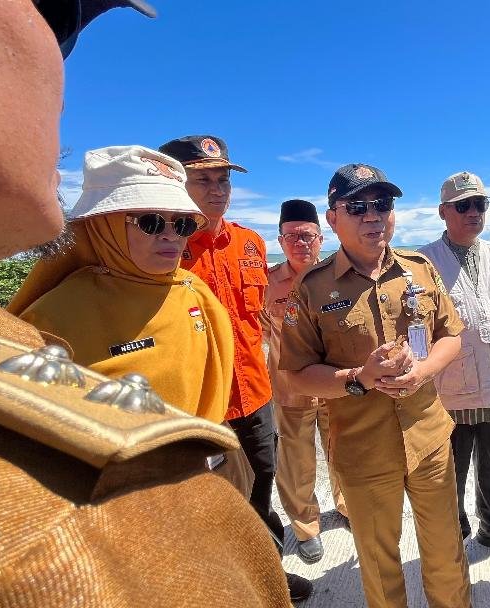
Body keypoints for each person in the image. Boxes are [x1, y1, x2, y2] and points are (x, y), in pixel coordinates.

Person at [0, 2, 290, 606]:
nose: (172, 235)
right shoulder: (43, 324)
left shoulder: (219, 265)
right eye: (54, 20)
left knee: (259, 491)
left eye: (180, 224)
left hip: (239, 418)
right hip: (151, 526)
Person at [280, 164, 472, 608]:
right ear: (332, 219)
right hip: (362, 449)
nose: (373, 216)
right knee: (381, 566)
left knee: (446, 555)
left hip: (428, 441)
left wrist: (422, 373)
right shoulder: (312, 288)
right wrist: (358, 379)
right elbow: (297, 371)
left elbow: (452, 335)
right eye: (357, 207)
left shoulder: (419, 271)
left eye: (382, 204)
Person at [158, 135, 311, 602]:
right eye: (203, 178)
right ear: (175, 181)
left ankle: (267, 573)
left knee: (263, 481)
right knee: (205, 497)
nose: (218, 188)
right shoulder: (164, 245)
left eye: (223, 178)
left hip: (254, 390)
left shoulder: (248, 242)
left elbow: (259, 318)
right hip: (199, 399)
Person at [10, 145, 233, 423]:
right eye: (151, 222)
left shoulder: (195, 292)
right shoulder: (52, 317)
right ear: (106, 226)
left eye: (183, 224)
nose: (171, 235)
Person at [418, 171, 490, 552]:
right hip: (449, 393)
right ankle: (452, 534)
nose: (473, 211)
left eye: (480, 204)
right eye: (463, 205)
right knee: (449, 471)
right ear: (444, 212)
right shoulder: (422, 263)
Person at [262, 199, 348, 564]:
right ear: (281, 241)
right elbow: (263, 328)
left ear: (321, 237)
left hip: (334, 384)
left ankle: (346, 508)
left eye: (308, 236)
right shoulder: (267, 282)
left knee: (343, 452)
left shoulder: (337, 275)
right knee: (296, 462)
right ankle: (305, 526)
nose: (301, 243)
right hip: (291, 388)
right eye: (293, 236)